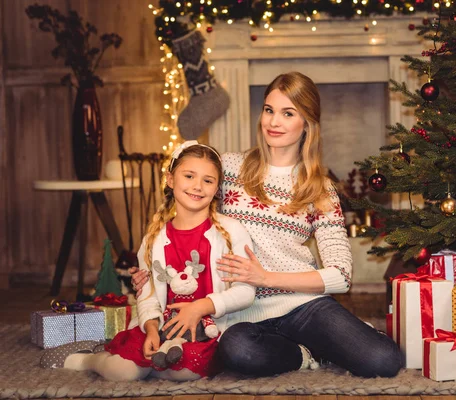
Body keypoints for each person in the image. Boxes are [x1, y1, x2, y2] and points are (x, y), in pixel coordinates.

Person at [132, 71, 403, 378]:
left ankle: (327, 337)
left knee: (384, 360)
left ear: (307, 124)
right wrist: (152, 268)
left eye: (288, 114)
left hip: (302, 306)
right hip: (237, 309)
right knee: (238, 350)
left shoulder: (319, 188)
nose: (274, 122)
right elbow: (186, 210)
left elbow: (341, 276)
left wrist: (266, 277)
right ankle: (304, 354)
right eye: (269, 110)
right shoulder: (228, 167)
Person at [57, 142, 256, 381]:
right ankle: (90, 359)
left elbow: (245, 291)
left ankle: (156, 366)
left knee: (184, 371)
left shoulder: (230, 231)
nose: (198, 186)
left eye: (208, 180)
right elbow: (147, 294)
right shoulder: (155, 238)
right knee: (122, 372)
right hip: (160, 326)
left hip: (205, 332)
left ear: (217, 188)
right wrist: (151, 328)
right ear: (171, 180)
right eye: (189, 176)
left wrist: (201, 306)